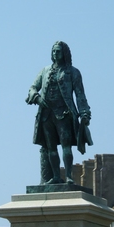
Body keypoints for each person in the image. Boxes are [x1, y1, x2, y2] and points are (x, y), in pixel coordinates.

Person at [26, 41, 92, 184]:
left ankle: (68, 176)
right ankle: (56, 176)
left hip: (64, 113)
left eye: (58, 51)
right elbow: (32, 87)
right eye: (54, 51)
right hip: (46, 114)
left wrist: (84, 113)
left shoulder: (73, 72)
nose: (56, 54)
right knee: (51, 148)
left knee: (66, 146)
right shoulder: (45, 70)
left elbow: (80, 95)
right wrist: (37, 98)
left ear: (64, 54)